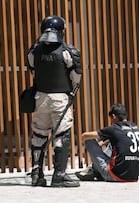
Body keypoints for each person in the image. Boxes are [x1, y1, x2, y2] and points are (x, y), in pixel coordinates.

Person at [26, 15, 82, 187]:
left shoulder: (34, 51)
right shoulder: (68, 51)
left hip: (40, 97)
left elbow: (33, 71)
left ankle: (37, 175)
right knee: (61, 134)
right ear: (61, 30)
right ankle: (59, 175)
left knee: (39, 134)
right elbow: (76, 77)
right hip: (60, 98)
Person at [75, 104, 139, 182]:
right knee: (115, 147)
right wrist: (102, 143)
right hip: (134, 176)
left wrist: (81, 142)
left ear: (114, 116)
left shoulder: (114, 128)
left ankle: (94, 170)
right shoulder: (134, 126)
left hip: (116, 175)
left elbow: (84, 136)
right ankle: (95, 170)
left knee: (88, 140)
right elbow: (118, 139)